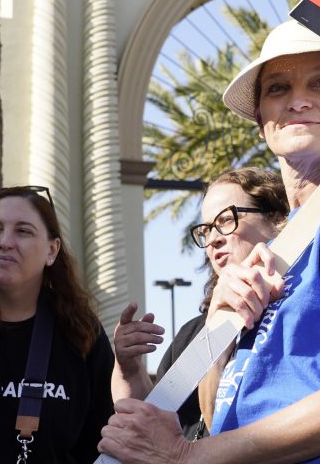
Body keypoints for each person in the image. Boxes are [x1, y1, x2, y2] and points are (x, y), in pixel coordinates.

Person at [99, 20, 320, 463]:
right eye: (278, 88)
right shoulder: (284, 245)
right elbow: (219, 414)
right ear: (262, 121)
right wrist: (220, 323)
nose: (298, 100)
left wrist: (183, 457)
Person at [111, 167, 288, 440]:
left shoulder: (301, 310)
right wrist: (128, 369)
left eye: (227, 220)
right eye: (205, 230)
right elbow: (151, 425)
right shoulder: (190, 336)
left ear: (276, 219)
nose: (213, 239)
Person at [0, 185, 114, 462]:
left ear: (52, 250)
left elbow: (100, 442)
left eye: (23, 231)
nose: (5, 242)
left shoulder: (81, 334)